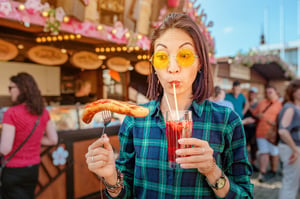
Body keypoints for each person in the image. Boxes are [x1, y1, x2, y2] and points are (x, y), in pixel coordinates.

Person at [85, 13, 253, 198]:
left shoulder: (227, 121)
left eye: (184, 55)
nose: (172, 67)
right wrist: (111, 177)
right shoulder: (135, 120)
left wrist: (212, 171)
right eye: (162, 57)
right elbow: (125, 193)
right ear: (154, 66)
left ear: (200, 63)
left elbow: (245, 195)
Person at [0, 72, 58, 199]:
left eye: (11, 88)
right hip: (33, 169)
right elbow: (53, 140)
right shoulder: (43, 112)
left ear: (21, 89)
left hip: (13, 170)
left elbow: (5, 149)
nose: (10, 92)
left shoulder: (11, 113)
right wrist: (35, 138)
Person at [251, 85, 282, 182]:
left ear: (276, 93)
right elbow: (254, 113)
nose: (268, 94)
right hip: (261, 132)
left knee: (274, 152)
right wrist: (257, 115)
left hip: (273, 134)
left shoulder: (280, 105)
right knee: (263, 152)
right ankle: (262, 172)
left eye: (270, 92)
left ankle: (273, 171)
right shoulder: (262, 103)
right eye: (267, 92)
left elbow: (283, 120)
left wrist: (273, 123)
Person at [277, 79, 300, 199]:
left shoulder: (296, 107)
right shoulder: (290, 107)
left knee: (293, 183)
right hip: (292, 148)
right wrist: (295, 150)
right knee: (290, 183)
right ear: (293, 91)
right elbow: (283, 131)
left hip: (294, 148)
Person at [243, 87, 259, 172]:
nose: (252, 94)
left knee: (254, 147)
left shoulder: (258, 104)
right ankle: (246, 164)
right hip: (245, 127)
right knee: (244, 146)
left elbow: (258, 115)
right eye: (251, 93)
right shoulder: (245, 102)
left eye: (253, 93)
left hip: (254, 128)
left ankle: (253, 164)